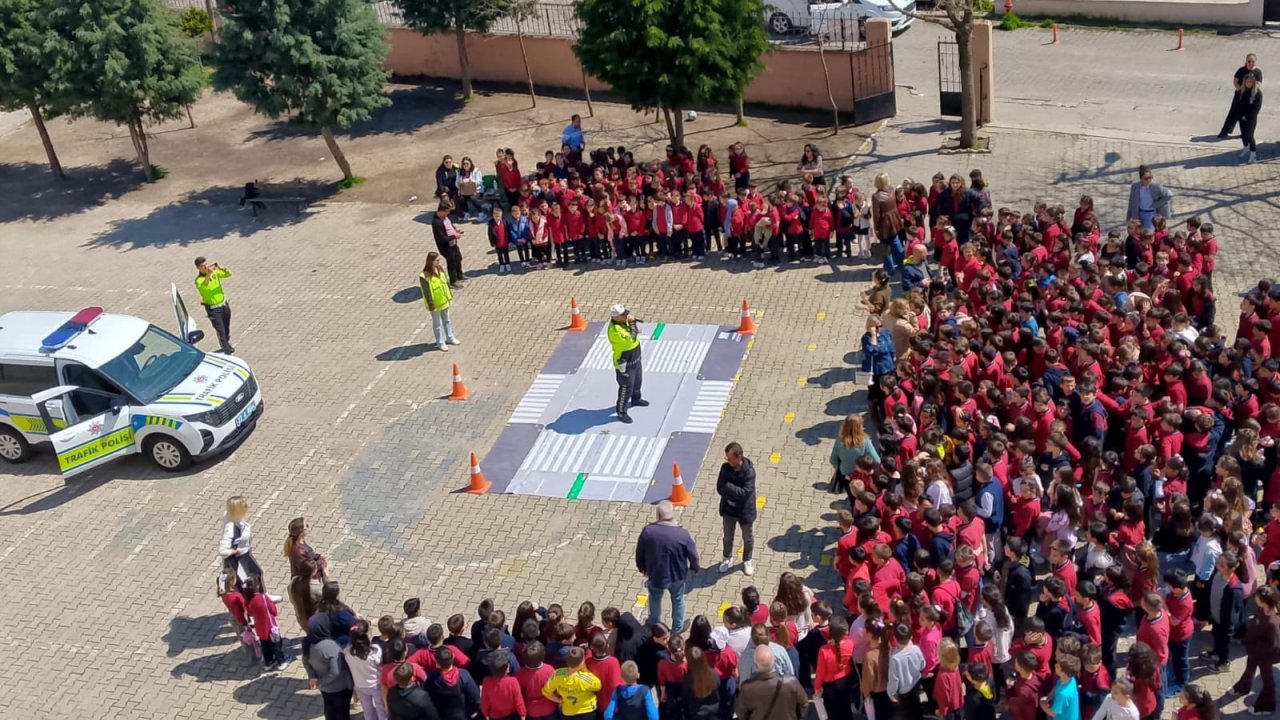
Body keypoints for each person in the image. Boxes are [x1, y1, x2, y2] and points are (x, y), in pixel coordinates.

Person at [635, 501, 700, 634]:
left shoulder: (648, 531)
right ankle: (677, 627)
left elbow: (639, 552)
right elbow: (693, 554)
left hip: (655, 574)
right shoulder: (682, 534)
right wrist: (694, 567)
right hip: (677, 575)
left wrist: (642, 568)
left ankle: (653, 622)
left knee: (654, 597)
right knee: (678, 600)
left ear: (658, 515)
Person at [218, 495, 279, 600]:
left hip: (245, 554)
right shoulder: (231, 527)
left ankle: (264, 595)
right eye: (244, 505)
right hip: (238, 559)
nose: (247, 506)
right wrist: (232, 551)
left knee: (257, 573)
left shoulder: (233, 517)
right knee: (246, 581)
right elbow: (222, 549)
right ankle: (252, 603)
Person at [1232, 584, 1280, 714]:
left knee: (1267, 680)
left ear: (1264, 601)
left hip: (1265, 655)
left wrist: (1254, 646)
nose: (1255, 598)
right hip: (1254, 650)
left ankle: (1266, 706)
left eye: (1257, 597)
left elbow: (1273, 645)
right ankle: (1242, 687)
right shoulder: (1261, 609)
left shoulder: (1272, 622)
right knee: (1249, 668)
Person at [717, 442, 757, 576]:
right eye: (726, 458)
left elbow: (745, 493)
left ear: (738, 457)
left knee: (747, 537)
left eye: (730, 458)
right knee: (728, 536)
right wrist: (731, 490)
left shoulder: (749, 472)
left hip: (745, 511)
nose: (727, 461)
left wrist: (728, 487)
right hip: (729, 509)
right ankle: (727, 557)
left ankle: (747, 560)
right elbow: (719, 487)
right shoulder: (725, 468)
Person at [737, 644, 808, 720]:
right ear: (774, 660)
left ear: (755, 663)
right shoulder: (791, 682)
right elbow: (804, 704)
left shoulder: (747, 688)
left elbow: (741, 714)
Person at [307, 612, 355, 720]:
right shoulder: (330, 646)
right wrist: (321, 681)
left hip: (325, 689)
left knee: (329, 709)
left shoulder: (307, 643)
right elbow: (335, 671)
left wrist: (313, 677)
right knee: (342, 713)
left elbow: (307, 662)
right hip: (340, 687)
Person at [606, 304, 648, 423]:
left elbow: (632, 332)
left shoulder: (622, 322)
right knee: (626, 387)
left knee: (638, 381)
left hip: (635, 358)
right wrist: (633, 323)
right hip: (625, 363)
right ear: (616, 317)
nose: (626, 316)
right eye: (623, 315)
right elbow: (632, 338)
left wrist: (632, 326)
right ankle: (621, 411)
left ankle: (636, 399)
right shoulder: (615, 331)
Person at [813, 617, 856, 720]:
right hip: (844, 682)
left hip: (829, 687)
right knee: (845, 709)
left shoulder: (824, 650)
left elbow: (820, 672)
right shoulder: (850, 644)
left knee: (832, 713)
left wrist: (817, 686)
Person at [542, 647, 602, 720]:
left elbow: (546, 692)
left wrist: (559, 700)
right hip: (587, 710)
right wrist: (585, 669)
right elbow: (598, 686)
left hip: (568, 712)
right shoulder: (584, 678)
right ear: (582, 662)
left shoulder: (557, 674)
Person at [419, 252, 460, 352]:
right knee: (437, 324)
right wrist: (431, 305)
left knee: (447, 320)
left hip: (444, 300)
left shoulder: (440, 269)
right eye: (436, 260)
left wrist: (449, 295)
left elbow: (445, 283)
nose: (438, 262)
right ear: (431, 261)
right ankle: (440, 342)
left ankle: (450, 337)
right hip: (435, 303)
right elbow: (426, 292)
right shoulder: (424, 276)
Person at [829, 413, 879, 495]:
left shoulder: (839, 441)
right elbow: (877, 460)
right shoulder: (865, 442)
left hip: (845, 475)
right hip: (861, 476)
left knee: (851, 495)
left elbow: (833, 460)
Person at [346, 620, 387, 720]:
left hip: (359, 685)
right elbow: (380, 663)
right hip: (375, 685)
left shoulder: (347, 651)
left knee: (367, 708)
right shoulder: (375, 650)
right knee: (380, 707)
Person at [194, 256, 234, 354]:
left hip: (224, 305)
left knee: (226, 328)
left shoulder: (214, 273)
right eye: (203, 266)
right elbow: (205, 286)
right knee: (221, 331)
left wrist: (221, 268)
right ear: (198, 268)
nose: (206, 267)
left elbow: (228, 274)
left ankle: (226, 343)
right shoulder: (199, 280)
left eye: (206, 264)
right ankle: (227, 350)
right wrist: (209, 274)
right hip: (214, 310)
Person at [1220, 53, 1262, 138]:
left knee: (1248, 116)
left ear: (1255, 62)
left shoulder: (1257, 72)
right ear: (1246, 61)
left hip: (1251, 97)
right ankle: (1225, 131)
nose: (1250, 63)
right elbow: (1235, 81)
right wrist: (1239, 88)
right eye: (1249, 61)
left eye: (1252, 61)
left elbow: (1259, 83)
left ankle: (1246, 133)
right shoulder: (1241, 70)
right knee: (1233, 113)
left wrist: (1252, 91)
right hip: (1240, 96)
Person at [870, 173, 904, 274]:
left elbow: (876, 215)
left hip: (884, 224)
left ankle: (889, 269)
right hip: (894, 220)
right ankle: (903, 263)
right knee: (896, 241)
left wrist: (876, 228)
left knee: (885, 246)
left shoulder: (876, 196)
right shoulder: (891, 190)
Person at [1124, 166, 1173, 231]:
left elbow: (1169, 195)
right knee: (1139, 233)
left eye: (1150, 177)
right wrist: (1128, 218)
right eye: (1146, 178)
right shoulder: (1135, 187)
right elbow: (1131, 202)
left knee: (1148, 232)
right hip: (1138, 214)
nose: (1149, 180)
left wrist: (1156, 204)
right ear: (1141, 179)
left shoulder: (1156, 186)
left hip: (1151, 214)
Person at [430, 204, 466, 288]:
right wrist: (454, 236)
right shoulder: (437, 223)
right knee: (451, 263)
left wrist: (455, 229)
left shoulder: (445, 217)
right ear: (441, 211)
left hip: (453, 244)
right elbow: (442, 238)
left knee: (458, 258)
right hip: (447, 247)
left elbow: (449, 225)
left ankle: (460, 275)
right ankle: (453, 281)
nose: (448, 214)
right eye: (447, 212)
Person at [1232, 72, 1263, 164]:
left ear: (1253, 82)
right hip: (1241, 117)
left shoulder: (1257, 93)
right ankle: (1246, 149)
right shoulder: (1241, 91)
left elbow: (1256, 109)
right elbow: (1238, 103)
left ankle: (1253, 155)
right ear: (1244, 82)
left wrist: (1247, 116)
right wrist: (1239, 115)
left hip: (1251, 118)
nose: (1248, 83)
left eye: (1250, 82)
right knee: (1243, 135)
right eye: (1247, 81)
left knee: (1250, 136)